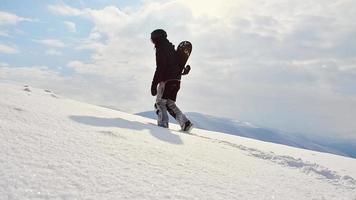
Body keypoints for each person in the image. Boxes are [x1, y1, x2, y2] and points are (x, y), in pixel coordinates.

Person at [150, 29, 193, 131]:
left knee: (160, 103)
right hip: (176, 81)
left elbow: (160, 68)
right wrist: (183, 71)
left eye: (152, 38)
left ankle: (162, 126)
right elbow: (176, 65)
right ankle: (185, 123)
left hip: (167, 81)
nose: (151, 40)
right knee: (169, 103)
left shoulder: (161, 49)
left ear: (156, 38)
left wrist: (153, 84)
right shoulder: (171, 48)